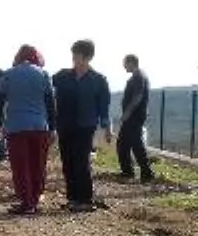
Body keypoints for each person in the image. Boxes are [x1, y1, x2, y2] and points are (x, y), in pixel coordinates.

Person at [51, 40, 113, 212]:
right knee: (67, 162)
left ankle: (85, 199)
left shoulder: (99, 80)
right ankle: (72, 198)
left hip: (85, 126)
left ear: (87, 57)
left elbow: (103, 106)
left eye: (77, 55)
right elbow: (46, 89)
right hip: (64, 124)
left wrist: (107, 128)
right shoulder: (62, 76)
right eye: (73, 54)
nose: (74, 58)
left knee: (81, 161)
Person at [0, 45, 56, 214]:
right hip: (40, 126)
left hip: (16, 126)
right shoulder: (44, 74)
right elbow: (51, 103)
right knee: (38, 164)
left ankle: (26, 202)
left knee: (21, 166)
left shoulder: (8, 75)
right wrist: (53, 128)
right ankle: (35, 200)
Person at [116, 53, 154, 182]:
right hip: (133, 116)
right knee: (123, 144)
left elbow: (137, 97)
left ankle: (146, 173)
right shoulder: (137, 76)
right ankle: (128, 171)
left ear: (131, 62)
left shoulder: (139, 77)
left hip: (134, 117)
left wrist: (127, 112)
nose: (124, 66)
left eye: (125, 63)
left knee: (136, 144)